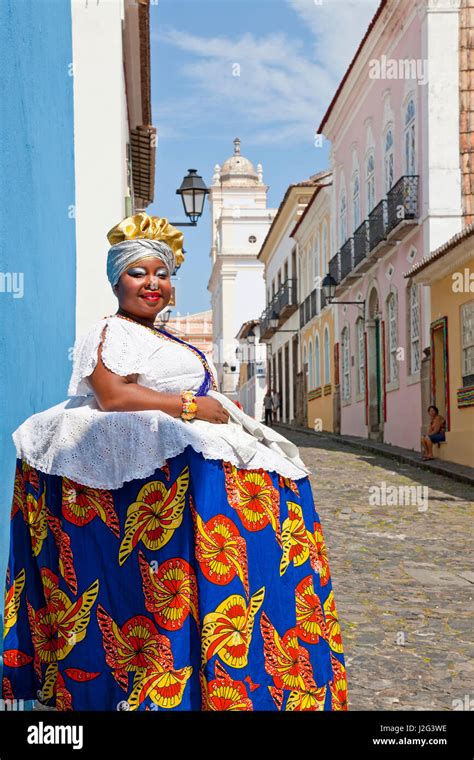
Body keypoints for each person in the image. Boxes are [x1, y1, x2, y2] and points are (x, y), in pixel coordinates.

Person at [2, 212, 348, 712]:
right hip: (162, 473)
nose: (152, 284)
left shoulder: (165, 338)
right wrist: (191, 408)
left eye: (161, 275)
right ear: (116, 279)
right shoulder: (109, 332)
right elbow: (112, 395)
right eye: (138, 273)